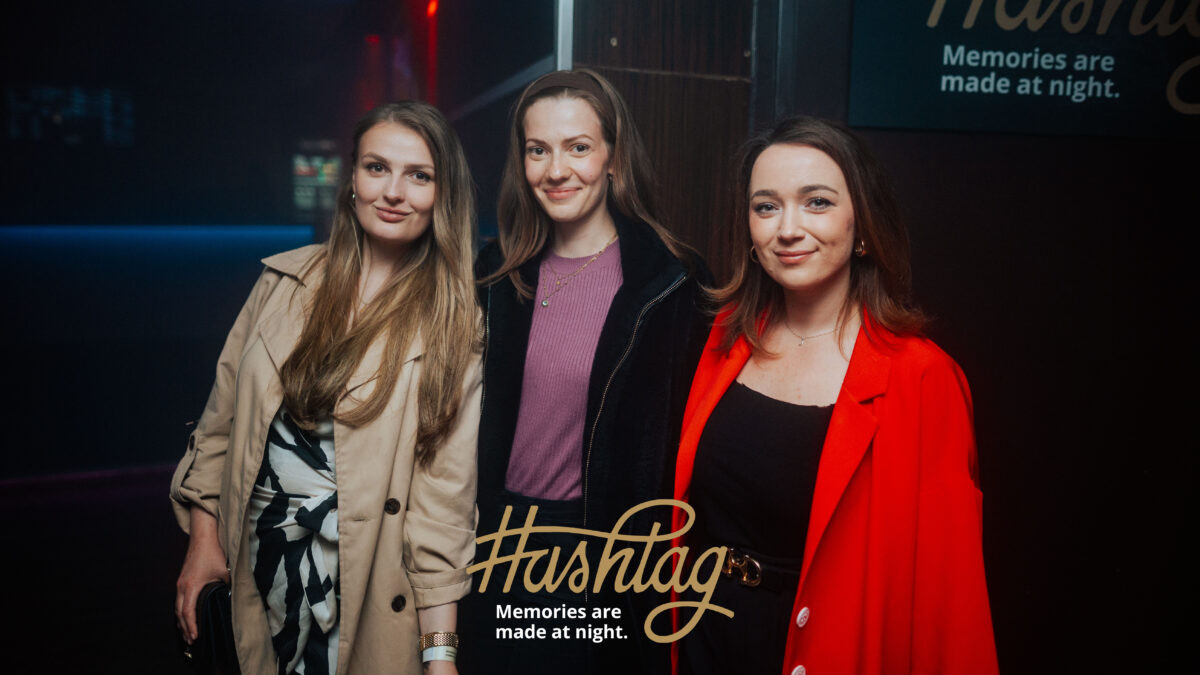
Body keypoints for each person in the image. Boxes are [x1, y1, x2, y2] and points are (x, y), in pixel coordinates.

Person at [673, 117, 999, 675]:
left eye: (817, 202)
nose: (788, 228)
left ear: (863, 227)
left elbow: (951, 595)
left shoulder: (922, 376)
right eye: (766, 207)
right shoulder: (725, 339)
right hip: (705, 639)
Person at [171, 101, 481, 675]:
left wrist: (440, 656)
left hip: (364, 594)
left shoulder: (454, 327)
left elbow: (443, 508)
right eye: (377, 167)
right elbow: (219, 428)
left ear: (444, 195)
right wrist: (202, 544)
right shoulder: (281, 282)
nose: (393, 192)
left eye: (419, 175)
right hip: (253, 571)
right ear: (352, 180)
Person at [460, 69, 710, 675]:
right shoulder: (493, 275)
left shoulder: (670, 284)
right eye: (537, 150)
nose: (556, 170)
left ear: (614, 157)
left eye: (578, 147)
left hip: (601, 557)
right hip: (493, 545)